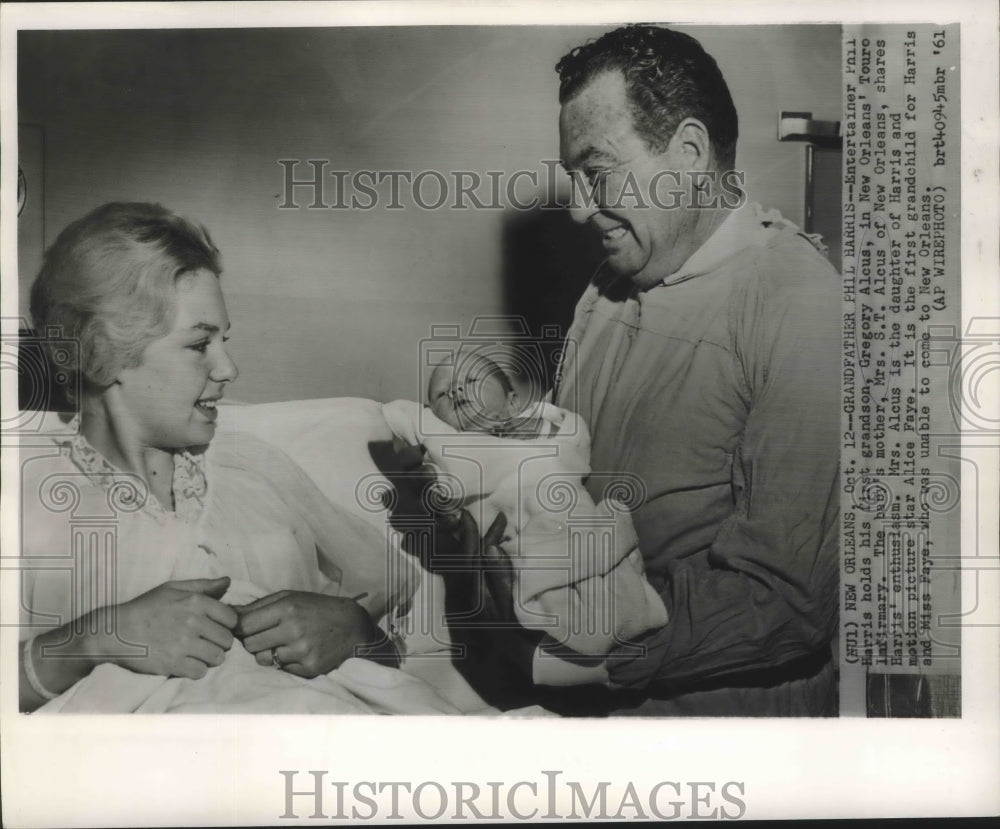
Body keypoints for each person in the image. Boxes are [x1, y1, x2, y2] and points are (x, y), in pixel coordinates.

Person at [464, 25, 840, 716]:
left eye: (597, 171)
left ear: (690, 152)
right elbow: (570, 484)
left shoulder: (799, 303)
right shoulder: (608, 288)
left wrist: (568, 659)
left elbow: (784, 601)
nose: (578, 207)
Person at [16, 202, 456, 714]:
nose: (229, 368)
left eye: (225, 340)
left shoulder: (252, 467)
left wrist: (356, 632)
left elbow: (387, 619)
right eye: (200, 344)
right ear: (102, 351)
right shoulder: (29, 496)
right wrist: (96, 638)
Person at [381, 354, 667, 667]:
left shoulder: (543, 424)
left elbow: (576, 443)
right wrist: (429, 431)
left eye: (471, 382)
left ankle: (622, 620)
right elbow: (395, 414)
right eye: (442, 394)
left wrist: (539, 426)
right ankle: (583, 643)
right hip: (521, 544)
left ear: (513, 402)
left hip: (573, 518)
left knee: (610, 577)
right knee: (557, 600)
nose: (457, 393)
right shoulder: (450, 445)